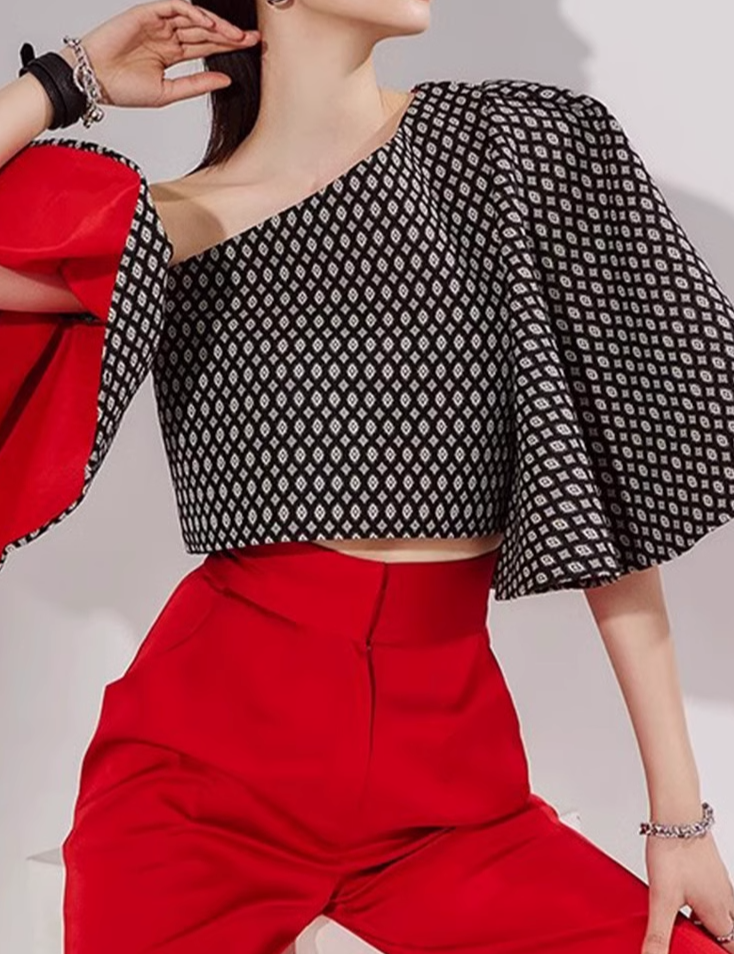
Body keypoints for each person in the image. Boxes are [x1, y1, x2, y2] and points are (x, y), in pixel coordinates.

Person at [1, 1, 733, 952]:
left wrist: (678, 817)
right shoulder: (169, 227)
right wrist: (69, 79)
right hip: (198, 784)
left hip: (451, 799)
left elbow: (609, 488)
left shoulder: (507, 148)